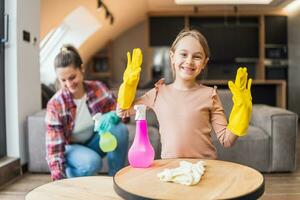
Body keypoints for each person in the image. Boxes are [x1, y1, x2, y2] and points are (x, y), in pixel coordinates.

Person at [117, 29, 252, 160]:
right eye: (183, 54)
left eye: (197, 56)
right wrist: (129, 85)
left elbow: (227, 140)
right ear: (172, 57)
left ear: (204, 62)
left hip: (205, 167)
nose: (189, 61)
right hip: (172, 170)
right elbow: (122, 111)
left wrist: (242, 112)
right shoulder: (158, 93)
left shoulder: (210, 95)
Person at [45, 44, 129, 181]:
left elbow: (121, 114)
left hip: (94, 141)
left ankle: (115, 180)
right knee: (92, 162)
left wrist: (115, 115)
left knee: (119, 129)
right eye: (63, 80)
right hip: (72, 149)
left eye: (72, 77)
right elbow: (54, 150)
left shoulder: (97, 88)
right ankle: (73, 175)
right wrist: (58, 181)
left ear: (82, 69)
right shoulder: (55, 105)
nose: (69, 83)